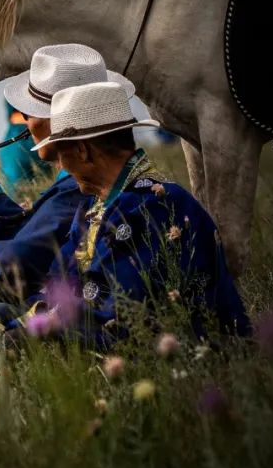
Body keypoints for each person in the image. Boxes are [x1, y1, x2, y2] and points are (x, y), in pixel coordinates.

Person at [22, 82, 250, 347]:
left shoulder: (152, 206)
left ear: (82, 150)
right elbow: (58, 281)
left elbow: (119, 313)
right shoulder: (94, 207)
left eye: (62, 152)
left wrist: (39, 324)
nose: (60, 164)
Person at [0, 43, 137, 295]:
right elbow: (31, 229)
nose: (23, 119)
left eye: (29, 112)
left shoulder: (83, 192)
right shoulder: (99, 183)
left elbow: (13, 266)